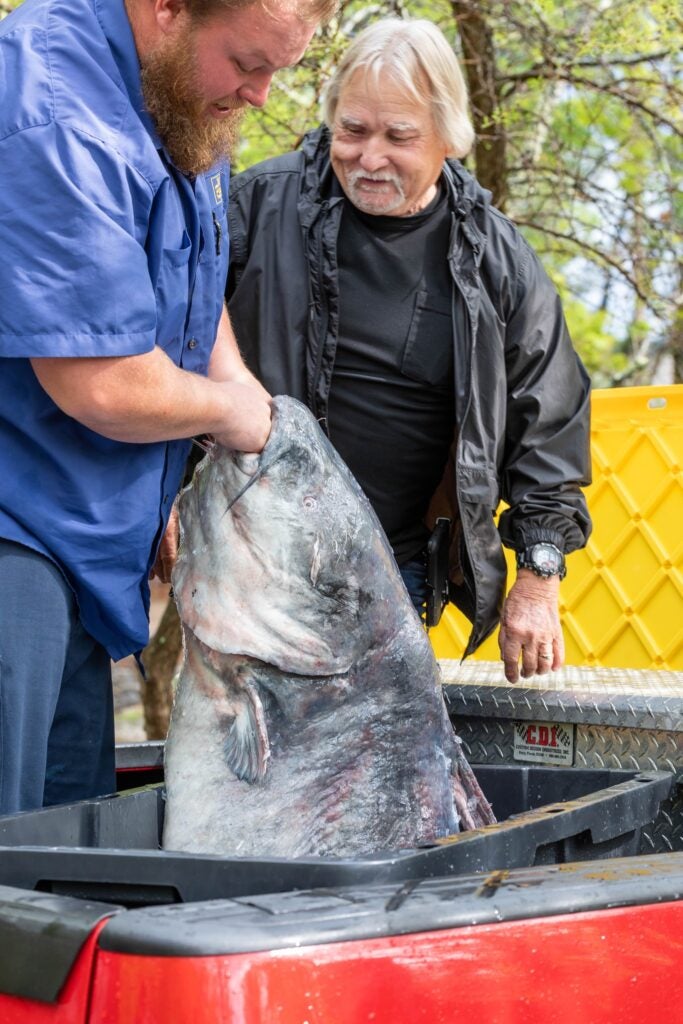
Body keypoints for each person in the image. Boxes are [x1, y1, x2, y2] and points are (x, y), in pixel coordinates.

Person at [0, 0, 335, 814]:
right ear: (165, 9)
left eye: (276, 72)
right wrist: (234, 417)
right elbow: (103, 381)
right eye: (248, 64)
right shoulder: (50, 109)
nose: (259, 95)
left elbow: (187, 278)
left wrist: (240, 423)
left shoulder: (181, 96)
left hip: (84, 545)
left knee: (56, 861)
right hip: (15, 535)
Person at [226, 17, 592, 687]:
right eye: (353, 131)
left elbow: (549, 423)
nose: (369, 158)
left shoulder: (494, 258)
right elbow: (169, 349)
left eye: (398, 137)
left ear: (448, 140)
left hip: (388, 571)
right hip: (247, 553)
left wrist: (538, 578)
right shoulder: (254, 208)